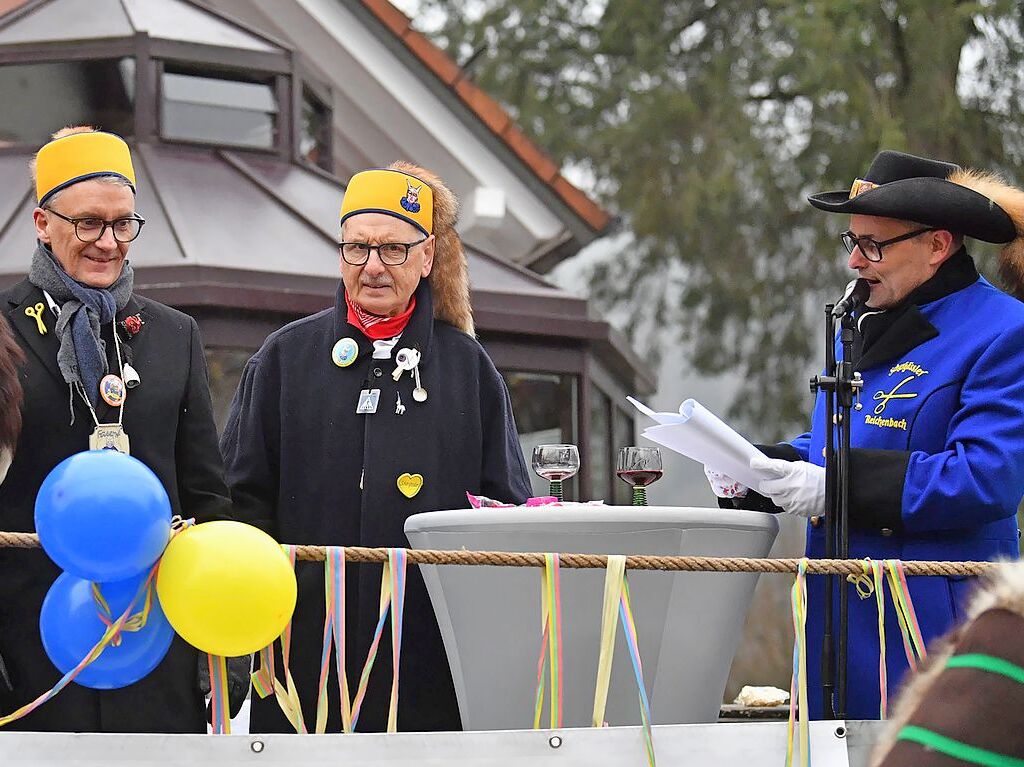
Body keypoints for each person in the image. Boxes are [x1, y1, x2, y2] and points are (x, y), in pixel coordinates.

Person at [705, 150, 1024, 720]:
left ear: (937, 245)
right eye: (851, 241)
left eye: (874, 244)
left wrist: (835, 486)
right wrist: (757, 470)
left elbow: (986, 478)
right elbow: (831, 449)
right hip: (839, 628)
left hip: (938, 635)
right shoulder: (857, 326)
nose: (855, 261)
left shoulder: (1006, 331)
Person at [221, 162, 532, 733]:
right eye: (357, 249)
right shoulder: (285, 359)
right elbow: (239, 505)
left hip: (429, 660)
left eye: (392, 250)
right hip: (303, 658)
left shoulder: (467, 370)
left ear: (427, 257)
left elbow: (507, 513)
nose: (372, 267)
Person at [0, 127, 231, 731]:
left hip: (153, 646)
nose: (108, 242)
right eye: (89, 224)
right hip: (29, 651)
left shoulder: (174, 334)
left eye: (123, 224)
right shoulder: (2, 332)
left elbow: (204, 490)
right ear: (43, 222)